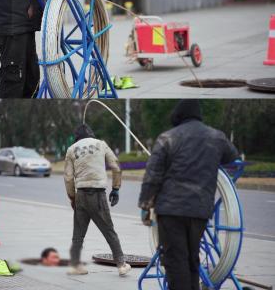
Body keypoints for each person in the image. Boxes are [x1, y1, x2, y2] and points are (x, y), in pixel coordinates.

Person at [138, 100, 239, 290]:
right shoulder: (216, 137)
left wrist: (145, 206)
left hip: (171, 210)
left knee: (176, 261)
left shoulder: (167, 137)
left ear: (178, 116)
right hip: (200, 210)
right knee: (192, 260)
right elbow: (232, 156)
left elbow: (153, 176)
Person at [63, 123, 131, 277]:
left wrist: (72, 198)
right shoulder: (101, 145)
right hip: (98, 194)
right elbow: (116, 166)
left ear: (77, 136)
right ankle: (121, 264)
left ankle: (74, 265)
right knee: (109, 230)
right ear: (91, 133)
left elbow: (68, 178)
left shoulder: (71, 149)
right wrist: (116, 188)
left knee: (78, 234)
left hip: (80, 194)